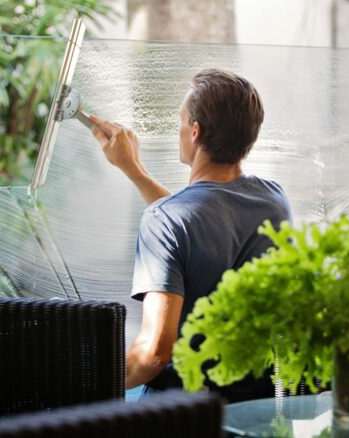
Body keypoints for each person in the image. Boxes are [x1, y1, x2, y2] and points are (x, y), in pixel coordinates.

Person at [89, 68, 292, 402]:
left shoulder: (166, 220)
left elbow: (153, 354)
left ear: (195, 132)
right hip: (255, 405)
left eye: (181, 121)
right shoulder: (274, 201)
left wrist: (80, 380)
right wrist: (134, 171)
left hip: (185, 413)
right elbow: (204, 219)